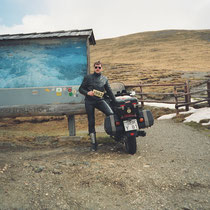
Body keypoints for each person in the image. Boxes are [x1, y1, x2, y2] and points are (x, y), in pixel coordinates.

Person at [79, 61, 117, 151]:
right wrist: (87, 93)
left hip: (100, 100)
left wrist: (115, 101)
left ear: (101, 68)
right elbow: (80, 89)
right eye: (96, 67)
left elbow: (109, 91)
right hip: (89, 101)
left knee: (111, 114)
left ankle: (115, 134)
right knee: (91, 121)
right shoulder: (87, 77)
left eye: (99, 67)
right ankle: (93, 143)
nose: (97, 69)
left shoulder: (104, 79)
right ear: (94, 68)